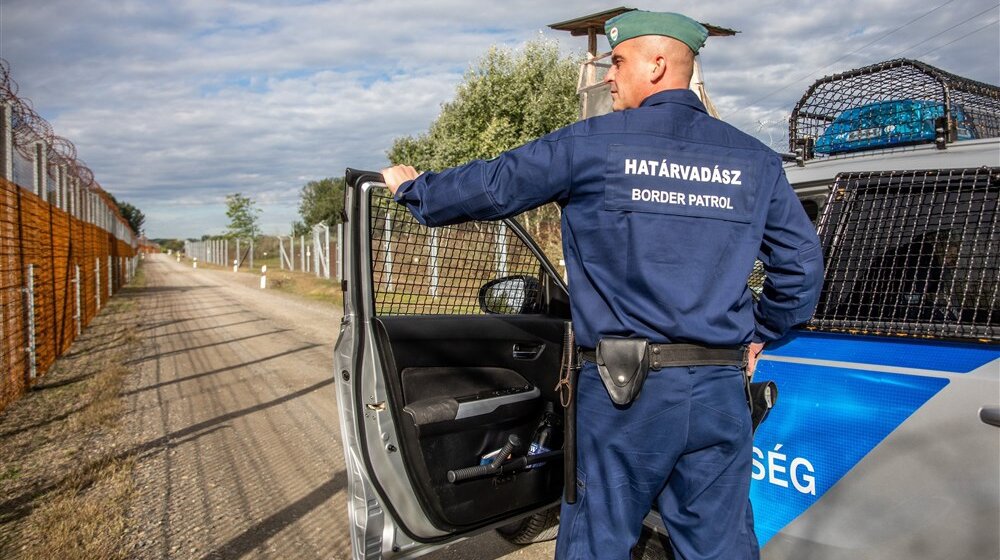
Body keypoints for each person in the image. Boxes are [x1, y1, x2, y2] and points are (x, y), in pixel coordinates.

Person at [382, 10, 823, 559]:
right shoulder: (754, 162)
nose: (608, 75)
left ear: (658, 64)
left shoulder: (590, 145)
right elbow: (801, 265)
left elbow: (494, 184)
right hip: (718, 389)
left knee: (597, 543)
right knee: (721, 547)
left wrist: (416, 191)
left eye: (617, 61)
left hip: (624, 395)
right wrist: (760, 330)